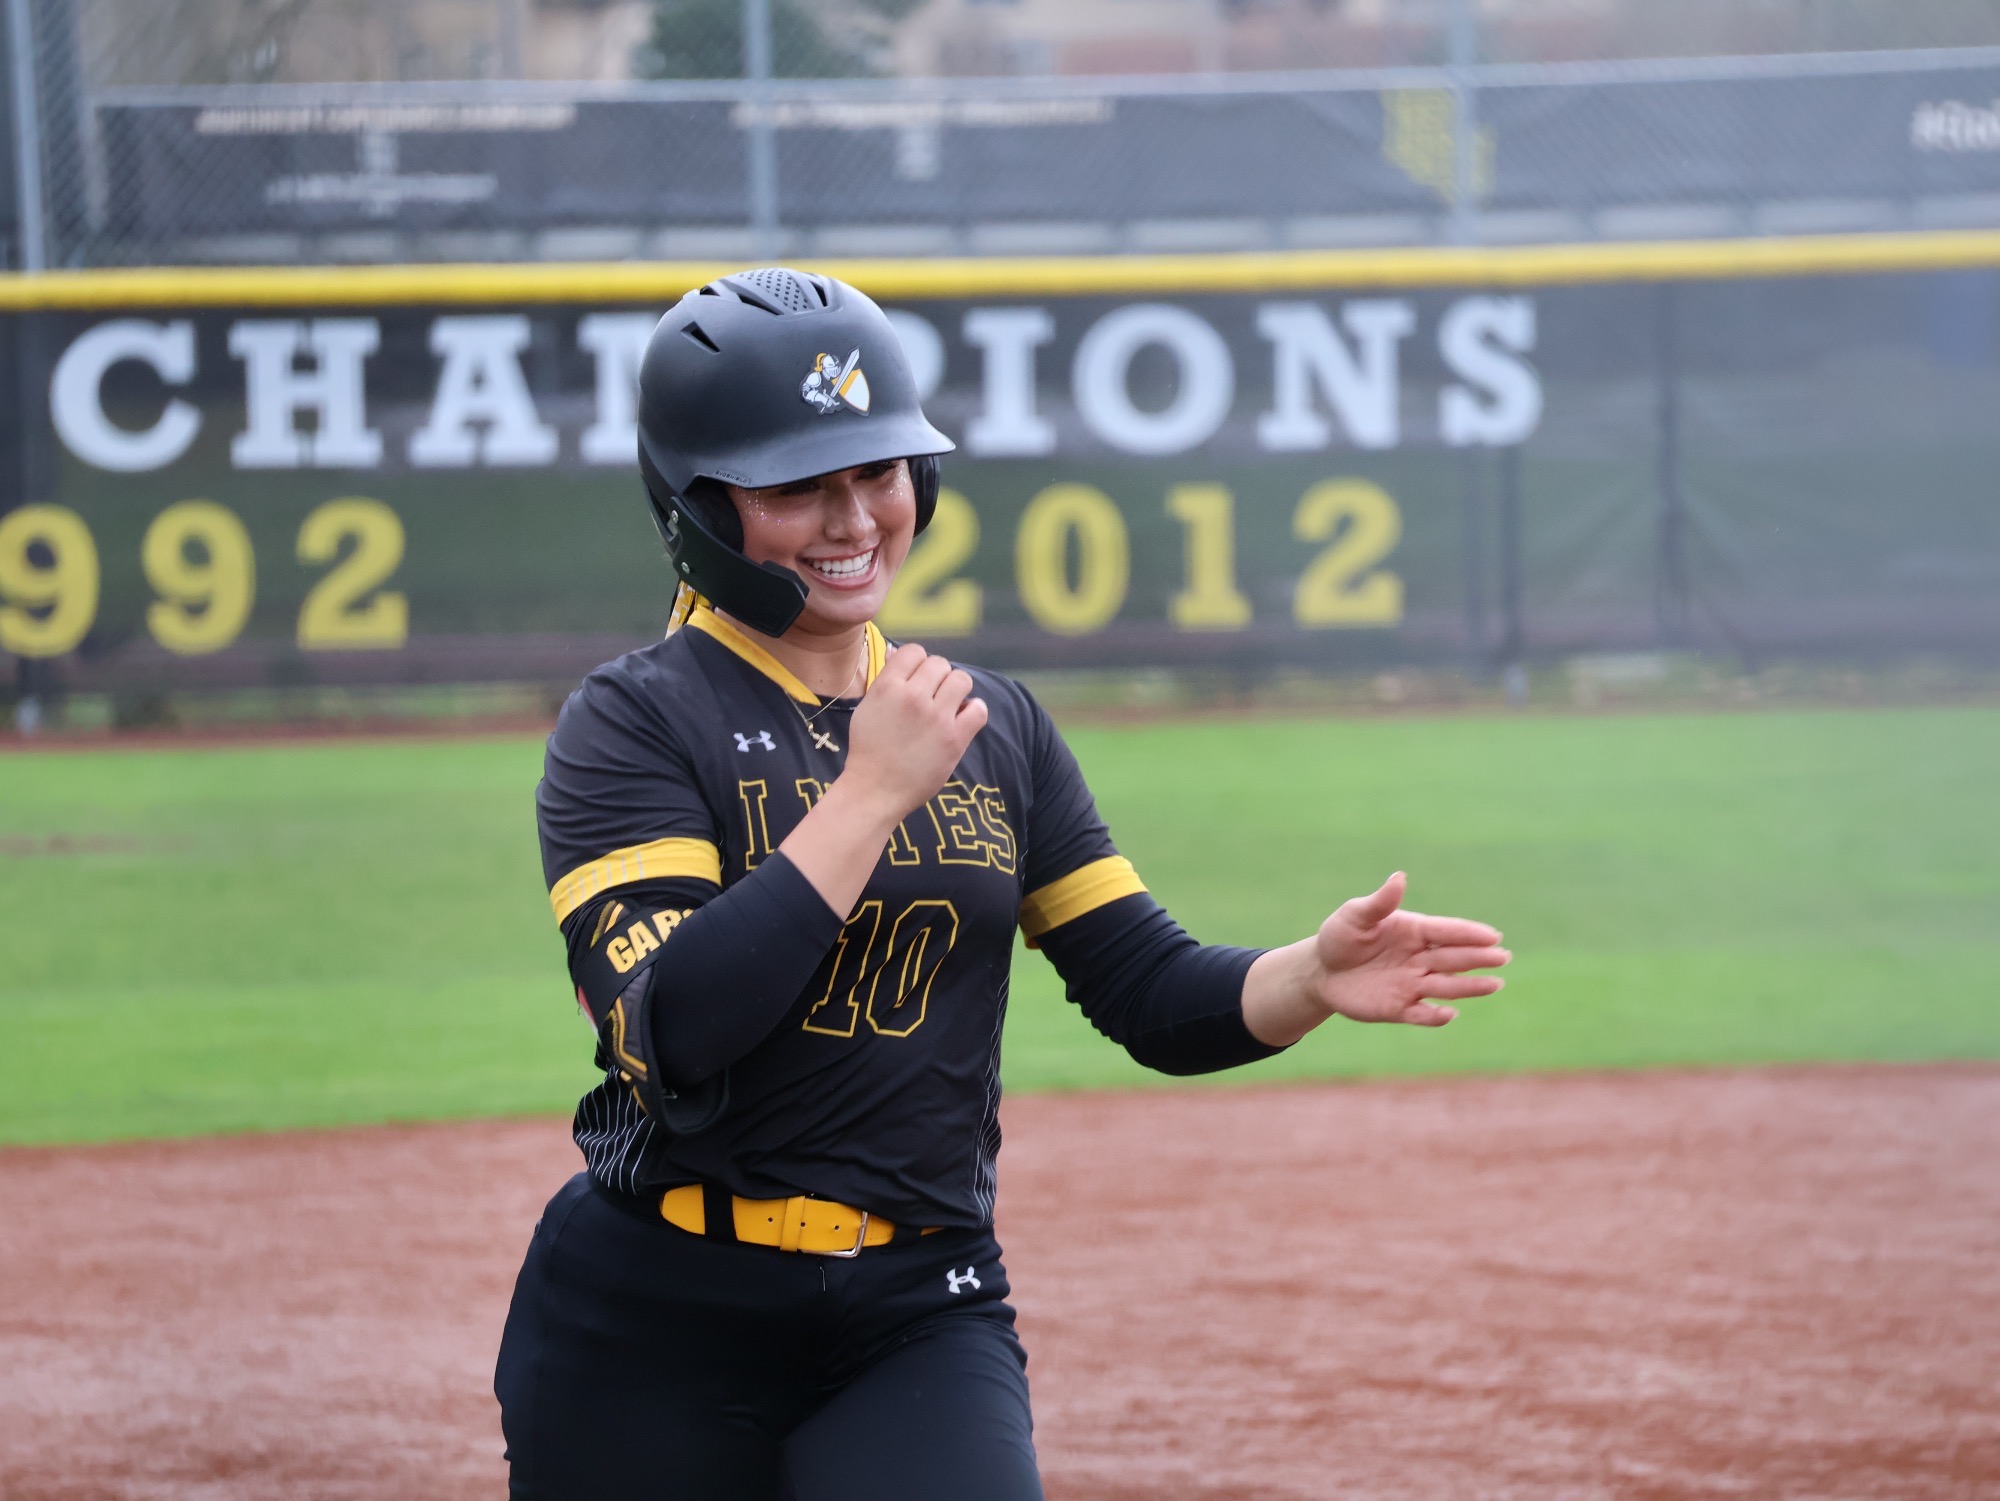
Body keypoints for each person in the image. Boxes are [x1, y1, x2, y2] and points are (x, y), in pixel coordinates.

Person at [494, 267, 1511, 1501]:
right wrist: (868, 792)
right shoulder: (633, 722)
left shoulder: (989, 725)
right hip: (652, 1318)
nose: (853, 517)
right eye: (797, 486)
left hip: (916, 1305)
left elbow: (1143, 989)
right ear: (698, 504)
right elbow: (673, 1027)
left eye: (879, 471)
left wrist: (1304, 974)